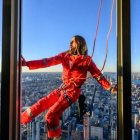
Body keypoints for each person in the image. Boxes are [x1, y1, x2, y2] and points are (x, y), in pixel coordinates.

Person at [21, 35, 117, 140]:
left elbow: (98, 75)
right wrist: (27, 64)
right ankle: (20, 120)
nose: (70, 44)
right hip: (63, 88)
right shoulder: (65, 56)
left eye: (73, 42)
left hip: (72, 92)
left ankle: (56, 136)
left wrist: (109, 87)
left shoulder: (86, 60)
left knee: (50, 115)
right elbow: (47, 61)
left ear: (80, 44)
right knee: (41, 104)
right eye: (70, 42)